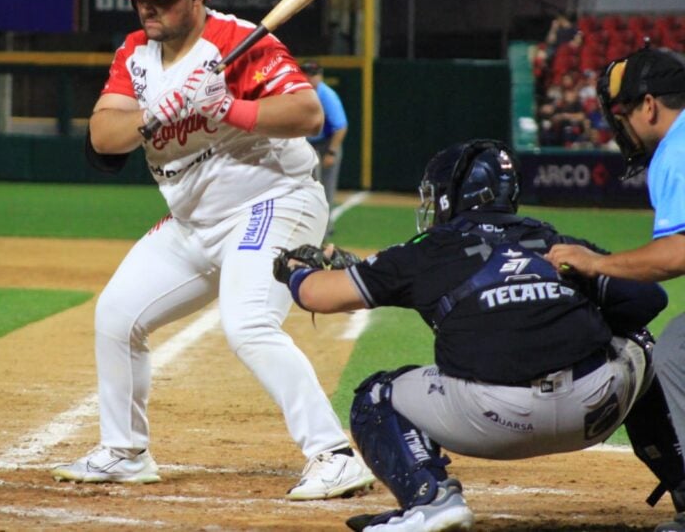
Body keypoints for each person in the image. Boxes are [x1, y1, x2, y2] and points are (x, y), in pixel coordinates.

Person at [51, 0, 375, 500]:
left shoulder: (241, 42)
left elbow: (307, 112)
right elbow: (103, 136)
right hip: (194, 220)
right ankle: (125, 452)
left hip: (273, 202)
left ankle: (334, 454)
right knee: (116, 316)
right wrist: (157, 111)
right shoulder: (136, 52)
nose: (147, 8)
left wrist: (226, 108)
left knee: (247, 323)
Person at [276, 138, 668, 532]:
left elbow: (317, 295)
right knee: (640, 341)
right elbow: (647, 299)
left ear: (452, 195)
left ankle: (429, 500)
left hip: (492, 421)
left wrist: (294, 270)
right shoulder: (554, 240)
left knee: (375, 396)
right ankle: (682, 488)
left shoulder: (426, 250)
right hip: (593, 410)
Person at [546, 47, 685, 532]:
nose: (621, 125)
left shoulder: (677, 148)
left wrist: (596, 263)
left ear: (648, 106)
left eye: (622, 112)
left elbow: (678, 254)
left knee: (677, 352)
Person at [300, 60, 348, 239]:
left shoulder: (327, 95)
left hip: (328, 143)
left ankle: (324, 231)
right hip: (307, 143)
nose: (309, 78)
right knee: (309, 187)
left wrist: (332, 152)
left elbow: (341, 127)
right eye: (306, 74)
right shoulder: (298, 92)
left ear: (320, 76)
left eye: (313, 74)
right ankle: (311, 226)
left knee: (326, 189)